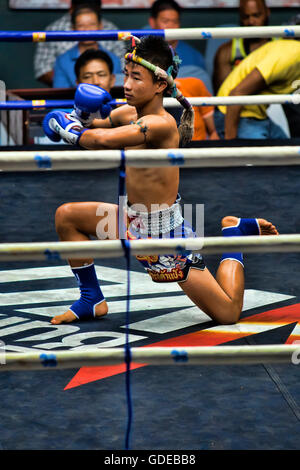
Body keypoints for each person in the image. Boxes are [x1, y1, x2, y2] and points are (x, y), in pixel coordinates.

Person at [42, 35, 278, 326]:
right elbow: (96, 126)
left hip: (164, 237)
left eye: (136, 78)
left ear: (160, 85)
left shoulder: (160, 124)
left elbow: (100, 140)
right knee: (67, 217)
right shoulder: (128, 113)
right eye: (126, 75)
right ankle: (92, 298)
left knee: (227, 313)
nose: (126, 85)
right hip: (130, 221)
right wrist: (80, 114)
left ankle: (234, 232)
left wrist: (69, 130)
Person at [214, 38, 300, 140]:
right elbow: (237, 93)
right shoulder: (291, 55)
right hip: (233, 113)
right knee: (261, 155)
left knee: (290, 152)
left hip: (258, 116)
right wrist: (230, 143)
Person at [34, 0, 125, 87]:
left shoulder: (114, 59)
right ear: (73, 28)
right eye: (81, 25)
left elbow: (118, 90)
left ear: (100, 26)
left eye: (92, 24)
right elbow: (61, 93)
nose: (87, 30)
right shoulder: (63, 61)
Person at [148, 0, 213, 93]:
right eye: (165, 21)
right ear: (152, 22)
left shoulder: (194, 57)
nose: (170, 26)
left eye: (175, 21)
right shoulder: (140, 53)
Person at [213, 0, 271, 93]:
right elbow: (223, 96)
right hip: (240, 106)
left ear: (267, 12)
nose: (251, 21)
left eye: (256, 15)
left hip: (276, 104)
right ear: (240, 17)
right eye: (246, 17)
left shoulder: (283, 46)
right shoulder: (226, 52)